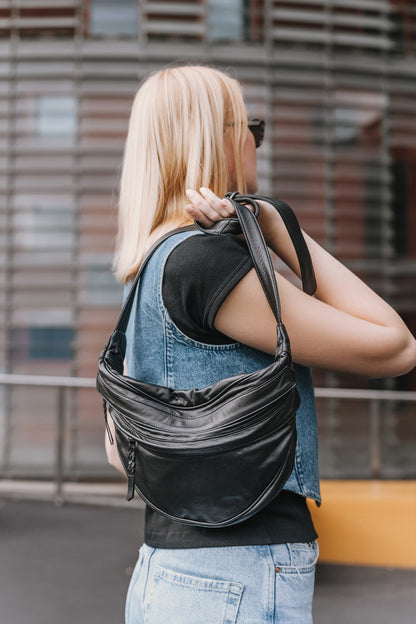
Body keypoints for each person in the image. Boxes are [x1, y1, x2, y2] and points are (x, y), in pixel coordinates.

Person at [105, 65, 416, 624]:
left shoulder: (151, 268)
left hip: (169, 573)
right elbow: (395, 346)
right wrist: (274, 225)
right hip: (238, 571)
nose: (256, 140)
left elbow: (118, 449)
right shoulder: (206, 263)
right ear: (221, 139)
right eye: (253, 125)